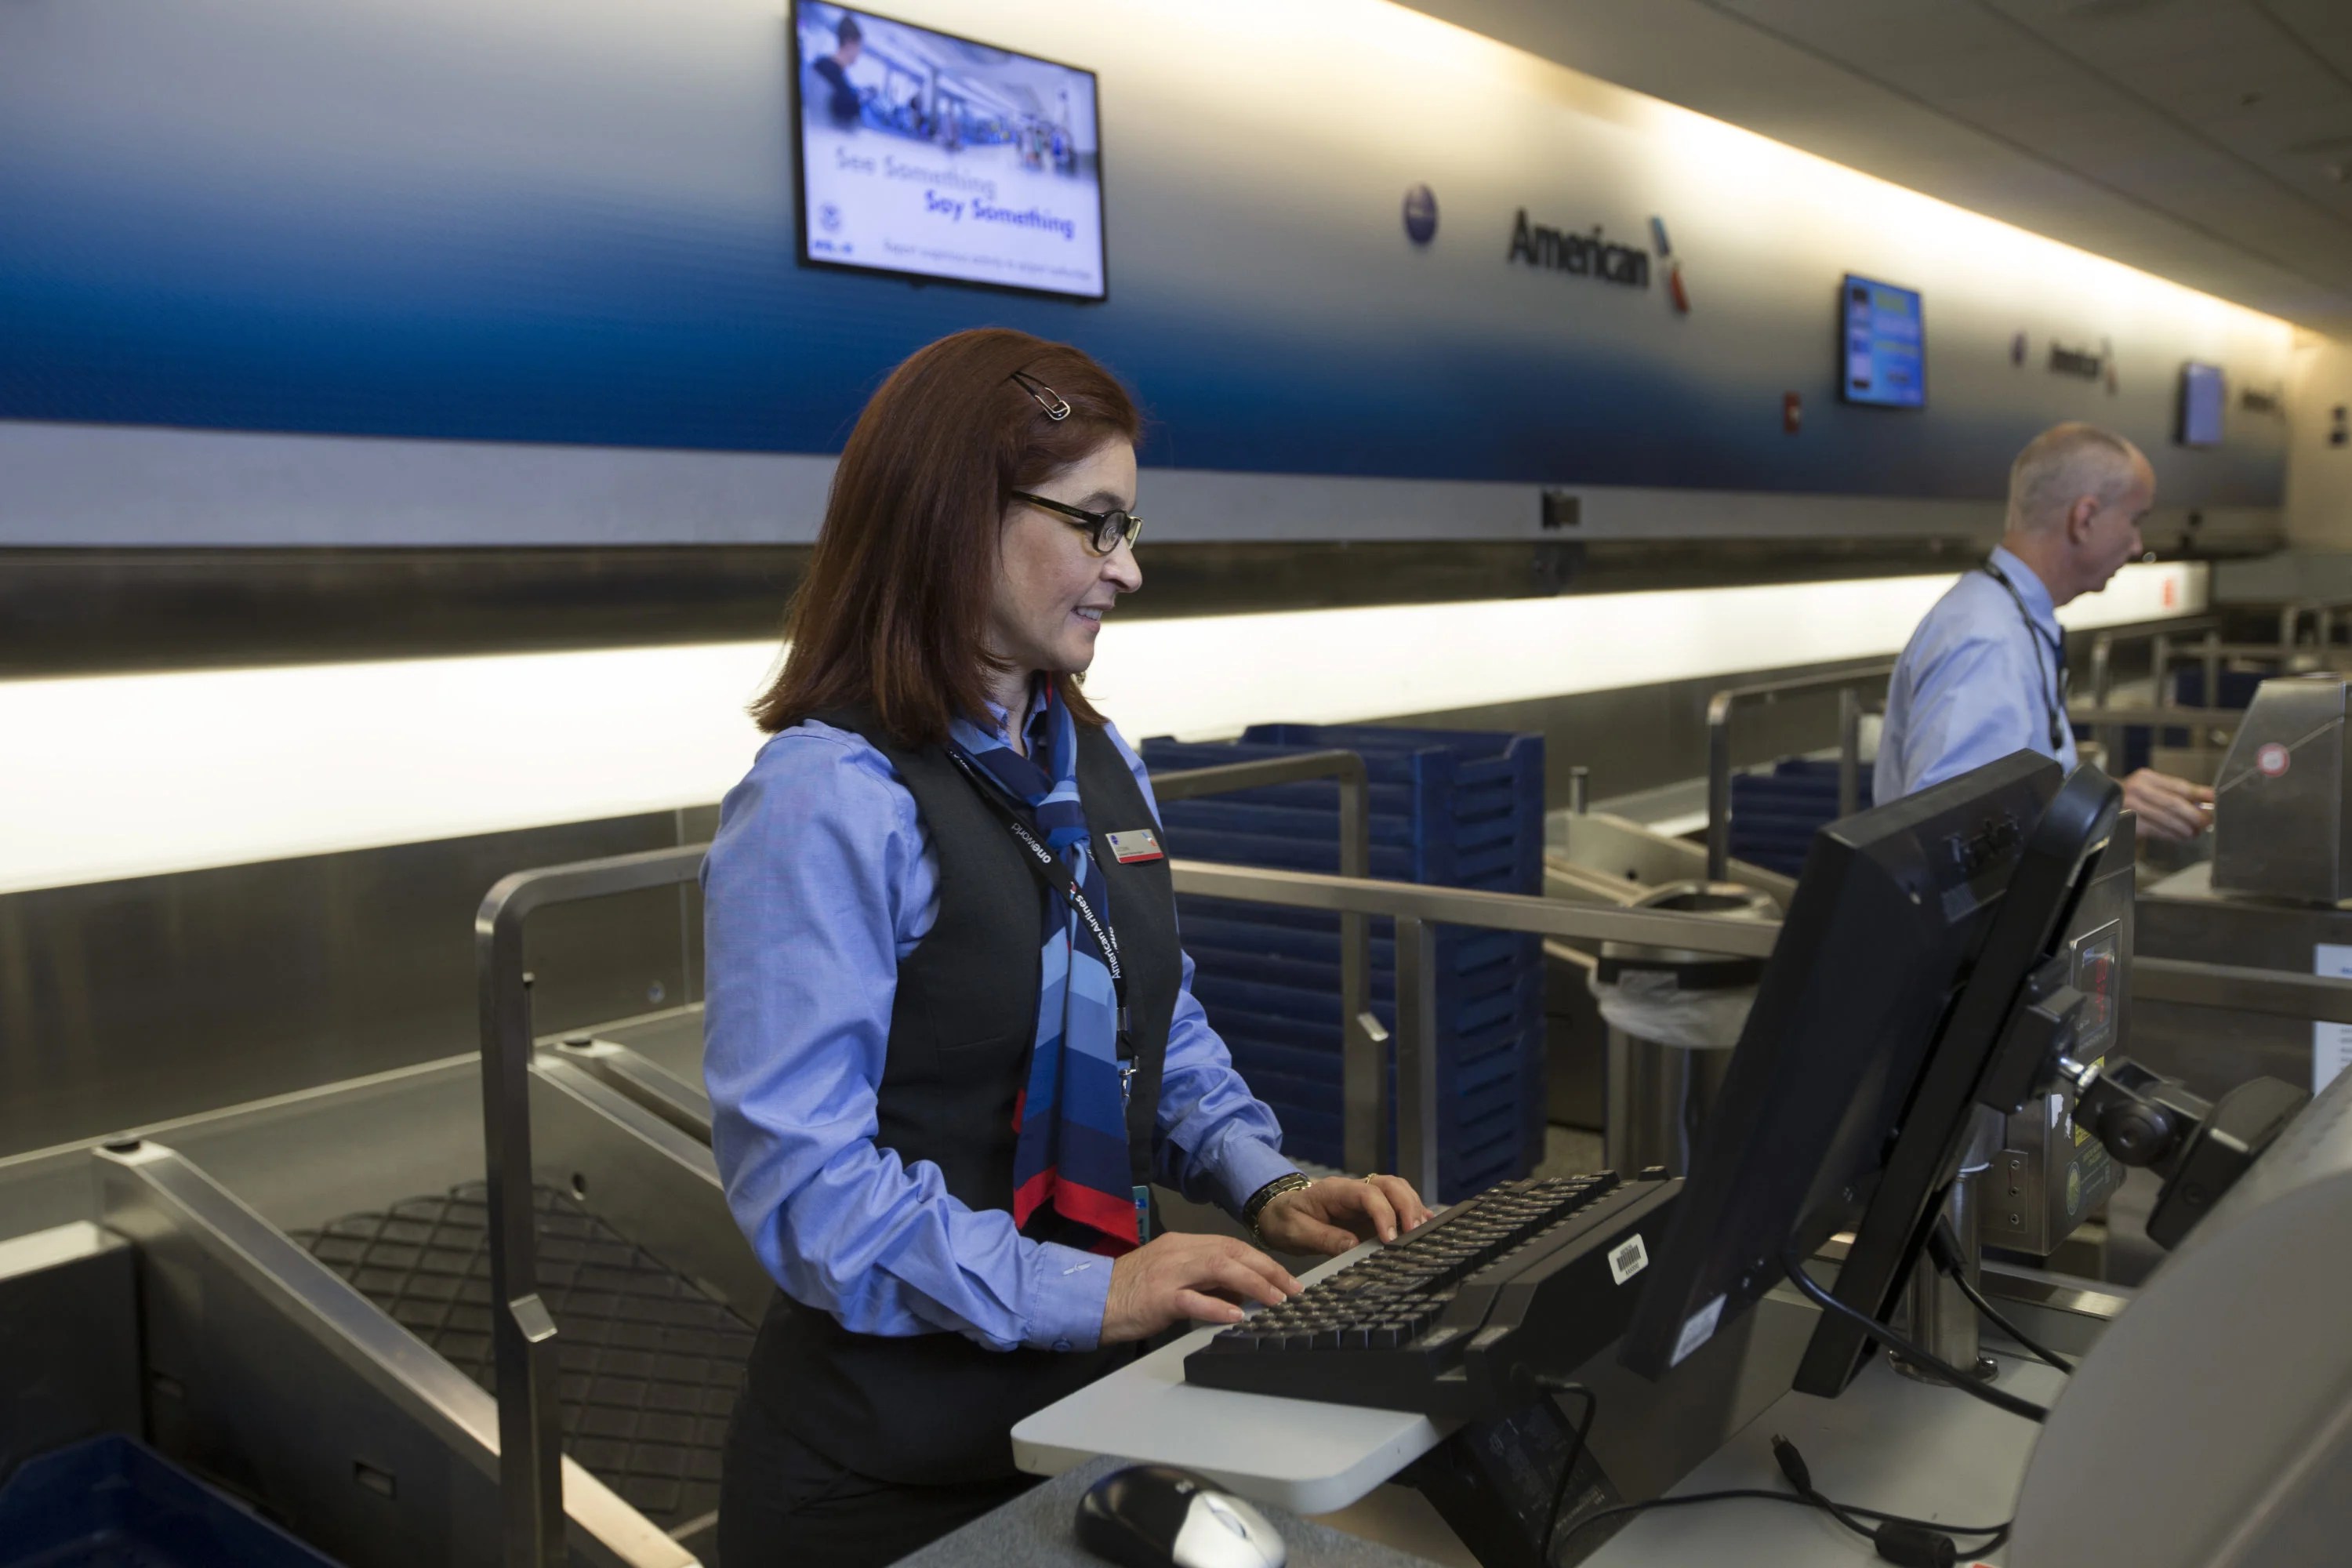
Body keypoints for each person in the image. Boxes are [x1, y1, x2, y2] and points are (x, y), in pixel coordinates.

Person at [702, 327, 1433, 1568]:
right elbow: (809, 1195)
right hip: (884, 1482)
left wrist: (1269, 1180)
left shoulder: (1090, 760)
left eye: (1130, 528)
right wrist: (1097, 1292)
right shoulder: (831, 797)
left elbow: (1155, 1017)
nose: (1127, 570)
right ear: (954, 518)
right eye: (1096, 524)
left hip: (1093, 1420)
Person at [1876, 422, 2213, 840]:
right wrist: (2100, 808)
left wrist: (2105, 803)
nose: (2135, 544)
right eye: (2134, 520)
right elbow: (1955, 835)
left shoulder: (2012, 620)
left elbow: (2011, 803)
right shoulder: (1986, 640)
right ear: (2084, 519)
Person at [811, 13, 863, 129]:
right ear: (849, 43)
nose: (859, 53)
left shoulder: (818, 64)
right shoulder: (842, 87)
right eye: (859, 46)